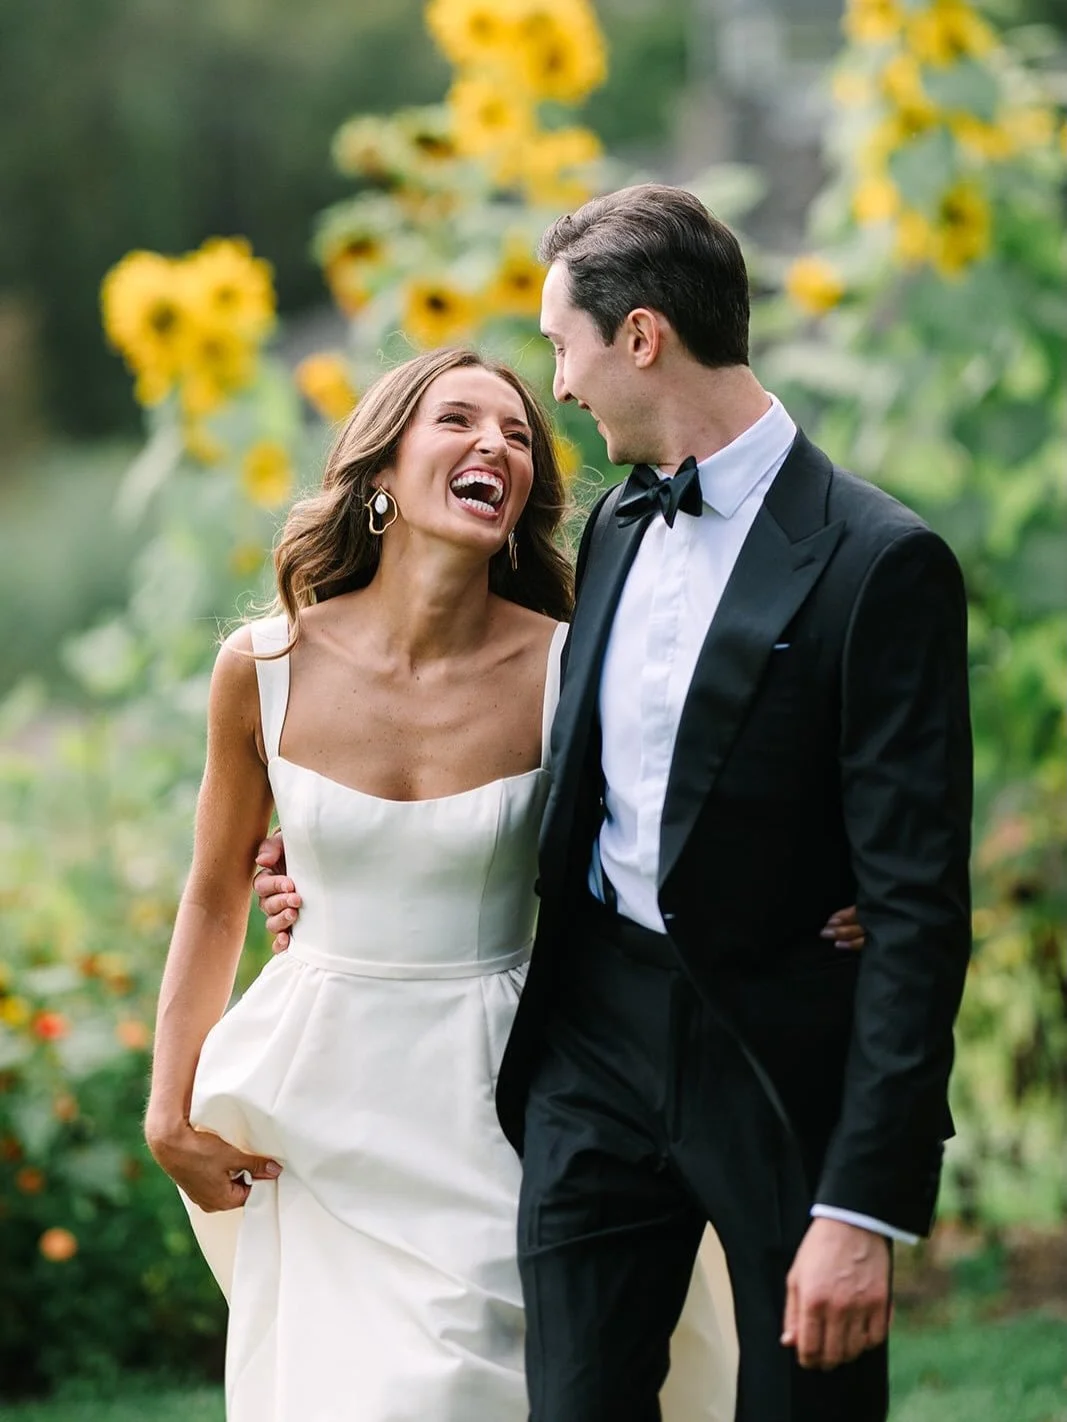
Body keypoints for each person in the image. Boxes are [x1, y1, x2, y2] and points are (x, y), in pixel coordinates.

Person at [145, 346, 767, 1421]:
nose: (497, 446)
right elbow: (212, 894)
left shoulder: (571, 667)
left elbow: (661, 862)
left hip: (506, 1097)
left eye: (519, 436)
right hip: (320, 1103)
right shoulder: (262, 667)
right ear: (381, 470)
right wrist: (168, 1107)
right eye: (459, 421)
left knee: (462, 1389)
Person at [493, 184, 971, 1422]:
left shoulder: (879, 561)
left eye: (561, 346)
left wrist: (860, 1206)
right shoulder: (612, 525)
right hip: (591, 1040)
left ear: (639, 336)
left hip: (775, 1057)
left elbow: (917, 909)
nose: (559, 387)